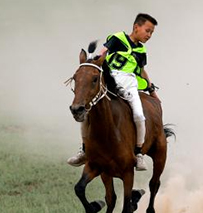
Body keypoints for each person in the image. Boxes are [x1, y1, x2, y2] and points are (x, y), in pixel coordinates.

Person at [67, 13, 160, 170]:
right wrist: (95, 59)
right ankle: (84, 150)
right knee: (88, 111)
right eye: (147, 30)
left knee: (138, 115)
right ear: (136, 27)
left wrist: (151, 91)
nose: (149, 35)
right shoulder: (118, 38)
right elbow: (104, 51)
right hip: (111, 79)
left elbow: (141, 71)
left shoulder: (141, 50)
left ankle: (138, 153)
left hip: (130, 83)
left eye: (151, 32)